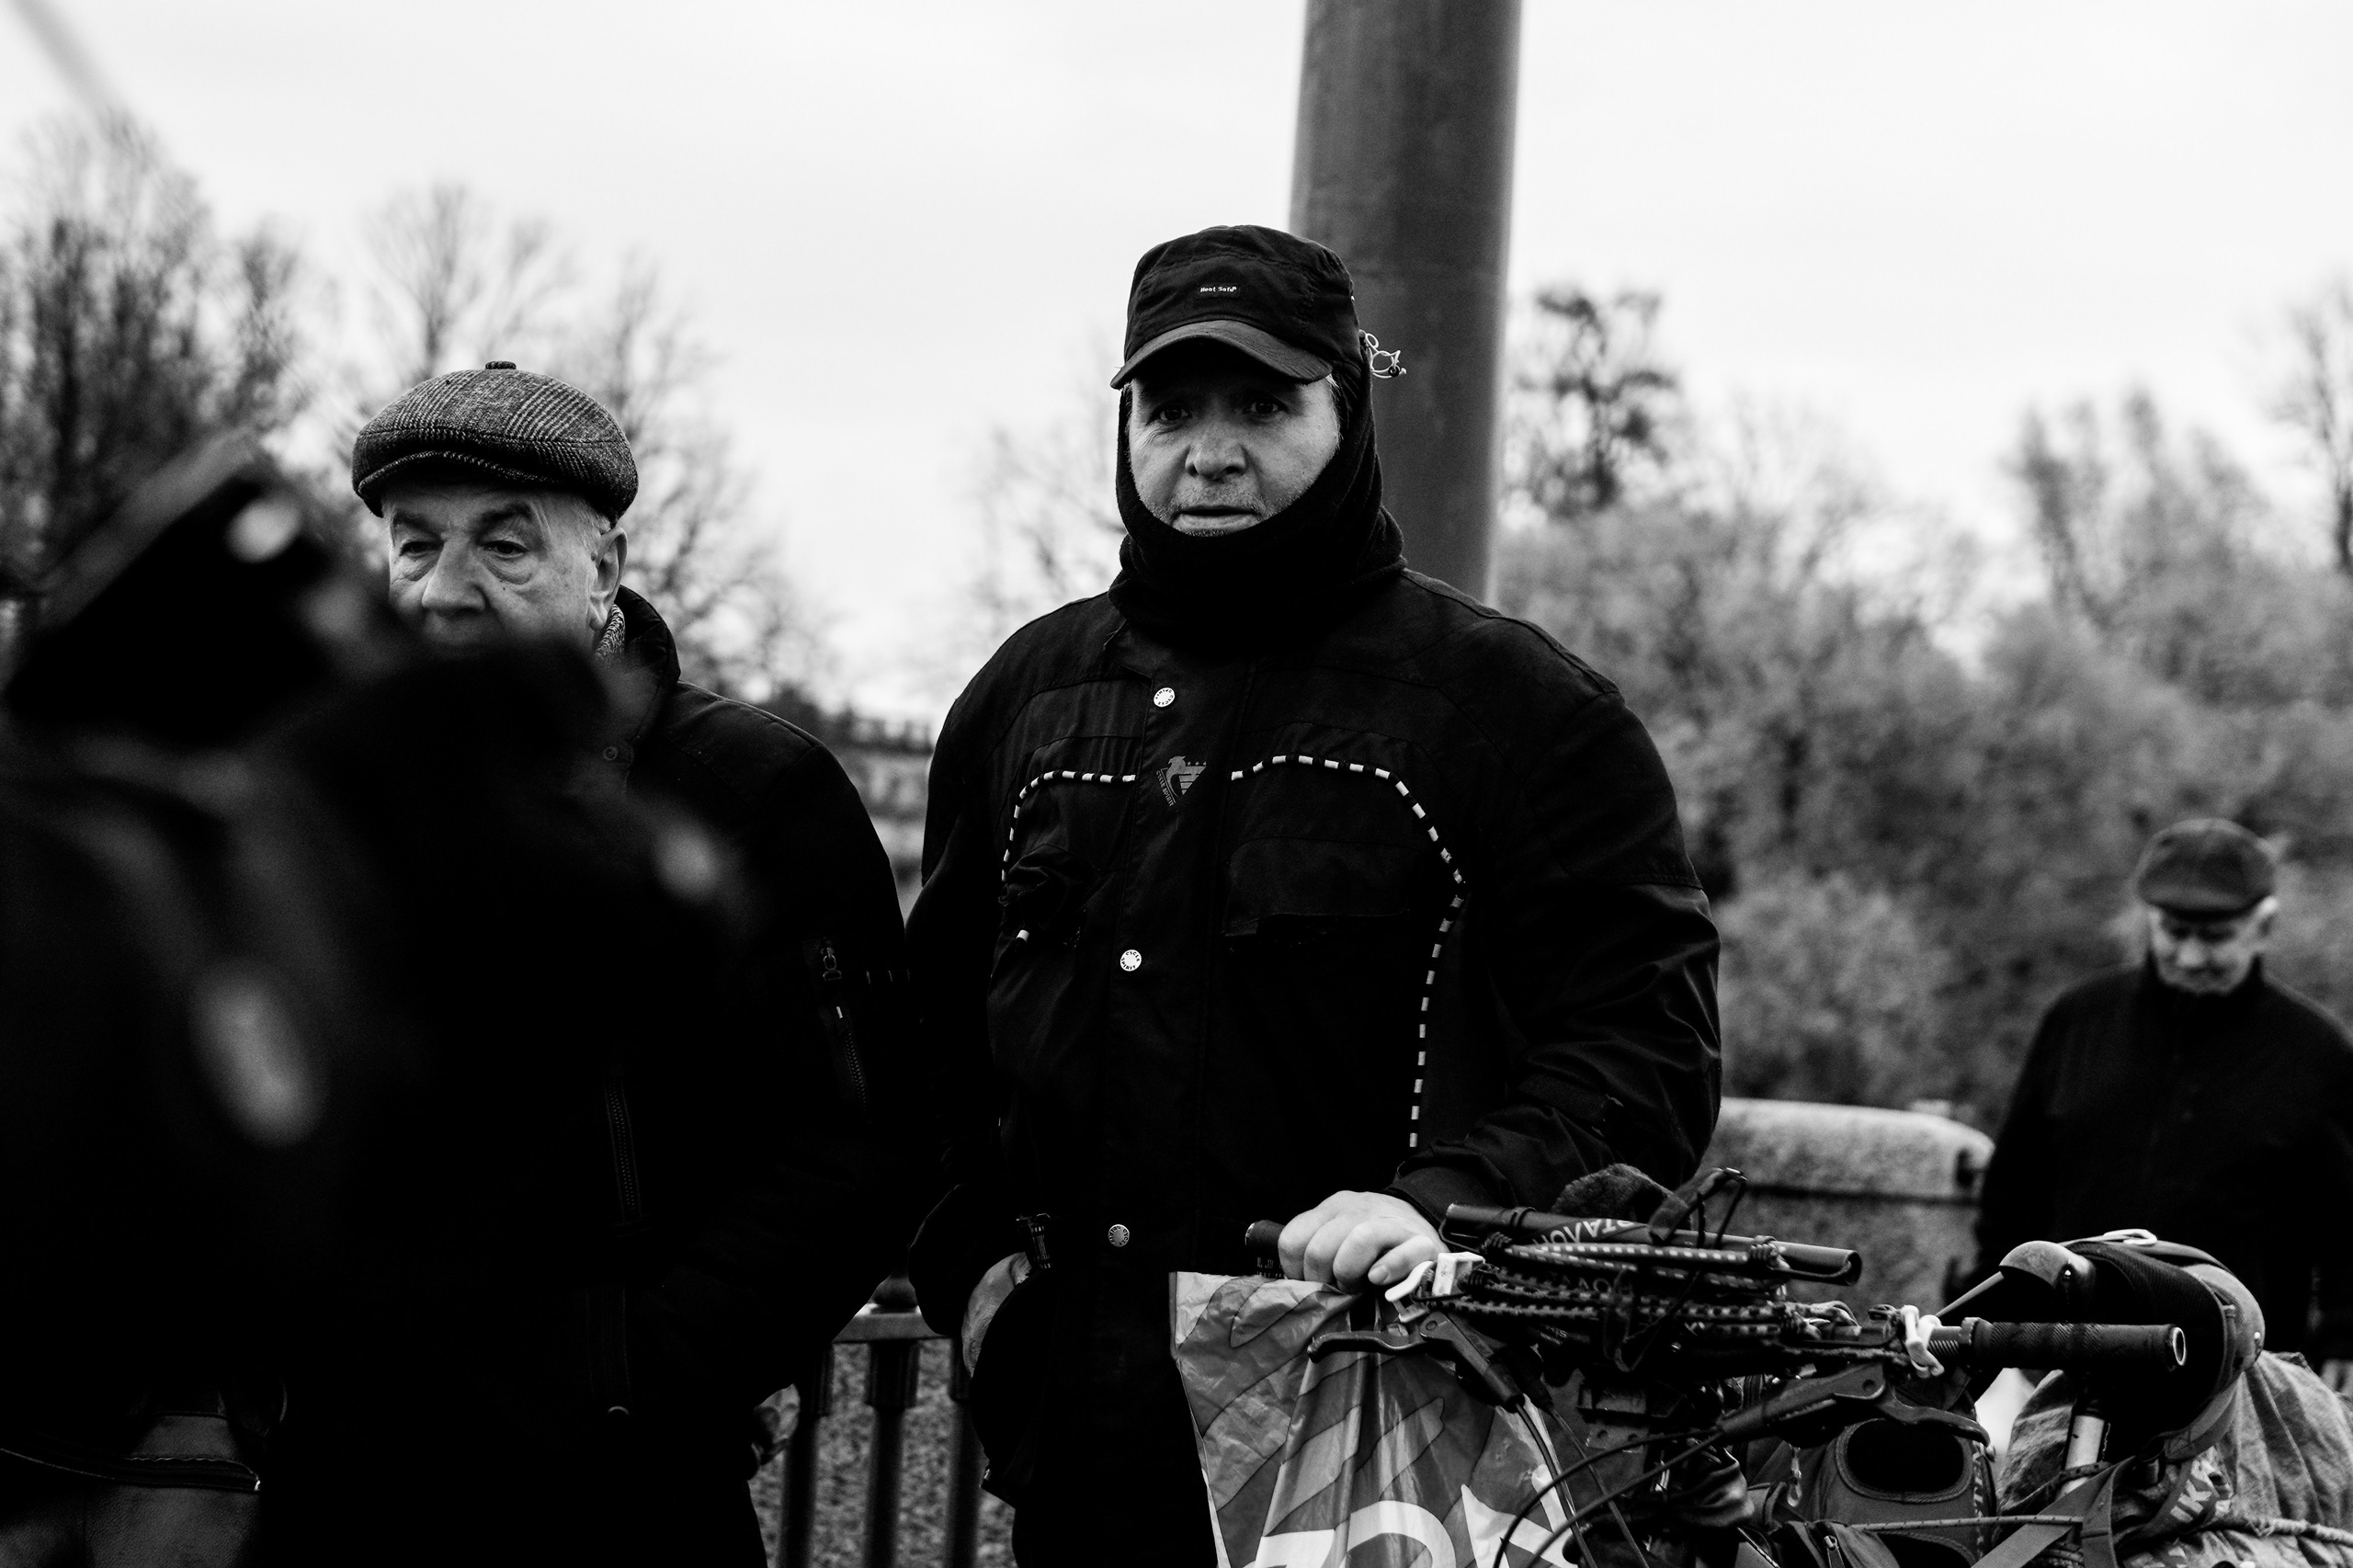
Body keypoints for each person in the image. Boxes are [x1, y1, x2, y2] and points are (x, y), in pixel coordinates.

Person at [905, 224, 1722, 1565]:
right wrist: (981, 1280)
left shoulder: (1519, 709)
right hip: (1081, 1445)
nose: (1210, 452)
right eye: (1171, 409)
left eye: (1264, 406)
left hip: (1395, 1436)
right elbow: (922, 1041)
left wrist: (1443, 1204)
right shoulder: (1023, 699)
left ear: (1349, 408)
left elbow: (1649, 1052)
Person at [305, 364, 926, 1562]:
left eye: (505, 547)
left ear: (606, 566)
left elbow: (858, 1147)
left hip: (620, 1490)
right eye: (415, 544)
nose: (447, 591)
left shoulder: (751, 791)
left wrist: (628, 1379)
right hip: (341, 1474)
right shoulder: (324, 796)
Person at [1977, 817, 2353, 1388]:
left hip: (2235, 1379)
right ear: (2148, 920)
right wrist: (1989, 1317)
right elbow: (2013, 1188)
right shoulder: (2077, 1019)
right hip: (2058, 1362)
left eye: (2216, 937)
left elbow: (2346, 1223)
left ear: (2264, 927)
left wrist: (2345, 1336)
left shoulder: (2316, 1052)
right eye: (2174, 932)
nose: (2191, 956)